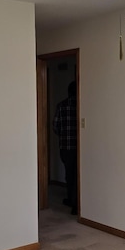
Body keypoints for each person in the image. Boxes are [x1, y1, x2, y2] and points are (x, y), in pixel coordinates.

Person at [53, 81, 78, 215]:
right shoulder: (82, 104)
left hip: (66, 146)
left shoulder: (62, 106)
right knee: (79, 174)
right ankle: (78, 201)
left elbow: (55, 126)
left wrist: (63, 135)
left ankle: (73, 201)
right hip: (81, 147)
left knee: (70, 173)